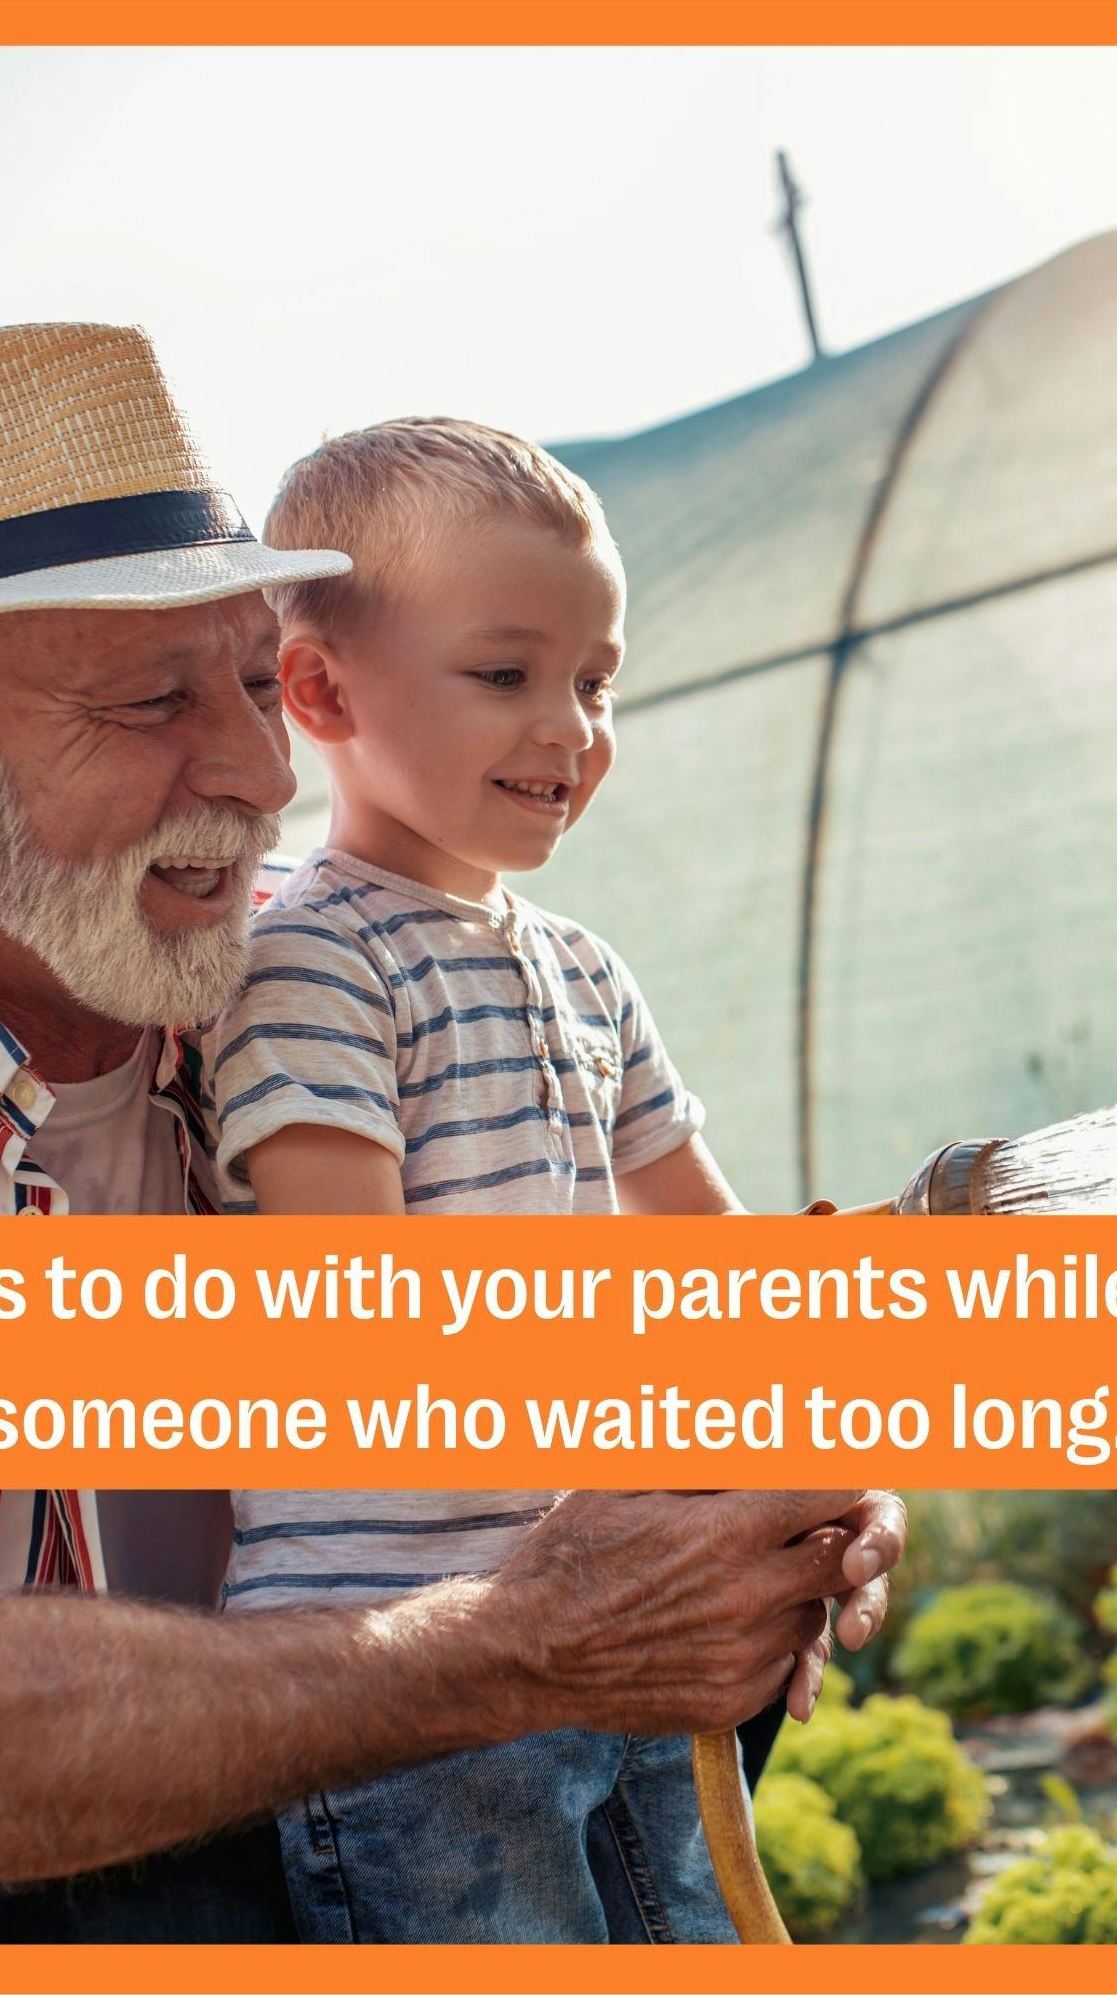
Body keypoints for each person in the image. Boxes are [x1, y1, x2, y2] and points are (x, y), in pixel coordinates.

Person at [0, 324, 903, 1944]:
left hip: (288, 1782)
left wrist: (778, 1472)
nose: (253, 770)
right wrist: (520, 1635)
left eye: (249, 677)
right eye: (150, 701)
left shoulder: (269, 982)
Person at [193, 417, 761, 1941]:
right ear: (320, 690)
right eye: (505, 677)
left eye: (596, 682)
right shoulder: (314, 958)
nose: (569, 730)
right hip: (411, 1692)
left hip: (614, 1630)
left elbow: (713, 1256)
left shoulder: (586, 971)